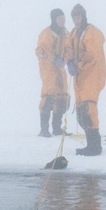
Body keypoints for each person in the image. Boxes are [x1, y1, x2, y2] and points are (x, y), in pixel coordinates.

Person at [64, 4, 106, 156]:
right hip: (80, 77)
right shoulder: (74, 34)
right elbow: (68, 48)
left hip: (92, 75)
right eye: (74, 18)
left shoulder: (91, 32)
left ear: (84, 16)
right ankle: (90, 144)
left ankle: (95, 146)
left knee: (88, 108)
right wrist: (69, 62)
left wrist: (77, 64)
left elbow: (92, 55)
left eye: (78, 17)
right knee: (81, 110)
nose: (76, 21)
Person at [35, 8, 70, 137]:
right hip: (48, 69)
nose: (62, 21)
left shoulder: (65, 34)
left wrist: (66, 60)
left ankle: (57, 128)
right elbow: (40, 50)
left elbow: (68, 49)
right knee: (48, 95)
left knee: (62, 96)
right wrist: (53, 59)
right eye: (59, 18)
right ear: (54, 19)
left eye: (63, 18)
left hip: (60, 69)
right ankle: (44, 129)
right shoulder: (46, 34)